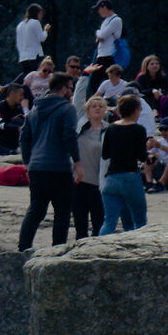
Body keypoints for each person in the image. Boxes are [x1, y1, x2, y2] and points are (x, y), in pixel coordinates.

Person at [18, 73, 80, 250]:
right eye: (70, 88)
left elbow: (24, 139)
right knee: (62, 211)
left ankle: (23, 248)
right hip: (59, 167)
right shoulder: (67, 108)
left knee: (36, 210)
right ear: (63, 88)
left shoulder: (34, 111)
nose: (71, 91)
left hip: (36, 167)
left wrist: (28, 162)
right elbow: (69, 135)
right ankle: (57, 250)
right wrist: (77, 161)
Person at [100, 94, 149, 233]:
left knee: (109, 221)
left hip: (111, 179)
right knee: (139, 221)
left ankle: (98, 246)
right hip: (130, 177)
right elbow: (141, 156)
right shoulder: (138, 129)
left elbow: (105, 155)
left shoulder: (111, 128)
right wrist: (150, 156)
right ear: (135, 110)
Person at [73, 94, 109, 238]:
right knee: (80, 223)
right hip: (78, 180)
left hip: (98, 183)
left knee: (98, 223)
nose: (97, 109)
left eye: (101, 106)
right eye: (94, 106)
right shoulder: (80, 127)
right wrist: (85, 76)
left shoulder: (109, 130)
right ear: (87, 111)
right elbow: (77, 99)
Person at [92, 0, 127, 72]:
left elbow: (101, 36)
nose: (98, 11)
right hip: (101, 55)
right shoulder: (105, 21)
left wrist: (98, 33)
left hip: (110, 55)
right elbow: (99, 38)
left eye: (99, 9)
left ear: (104, 7)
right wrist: (98, 32)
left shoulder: (116, 20)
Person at [15, 3, 48, 74]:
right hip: (34, 56)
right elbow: (42, 38)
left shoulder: (20, 25)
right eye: (40, 13)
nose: (41, 15)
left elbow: (18, 43)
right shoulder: (35, 22)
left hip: (23, 57)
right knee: (40, 74)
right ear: (37, 13)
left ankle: (10, 85)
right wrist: (46, 30)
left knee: (27, 76)